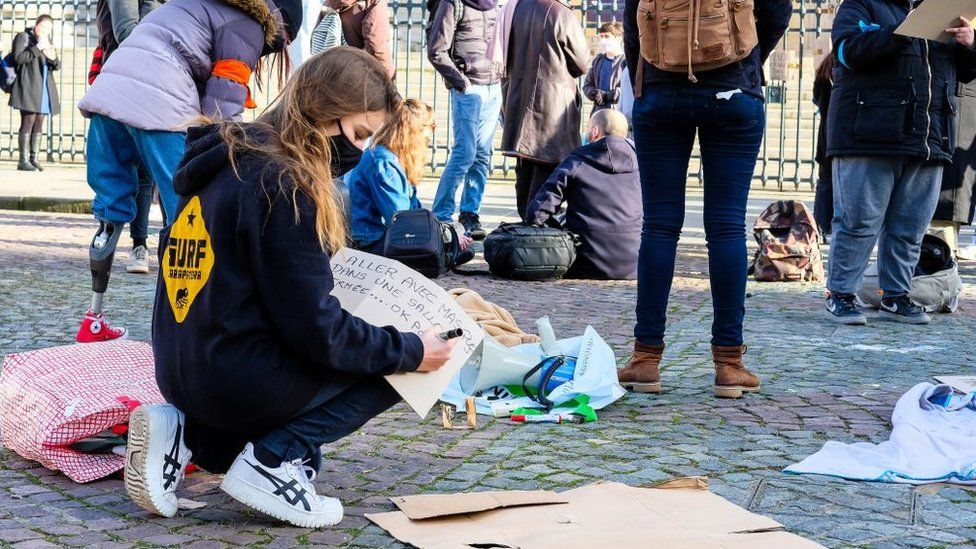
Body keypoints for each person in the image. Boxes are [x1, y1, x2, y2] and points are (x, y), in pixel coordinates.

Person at [127, 47, 458, 529]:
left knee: (358, 353)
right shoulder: (286, 182)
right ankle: (273, 461)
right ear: (325, 112)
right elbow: (317, 328)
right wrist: (409, 348)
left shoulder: (223, 161)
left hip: (183, 372)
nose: (359, 152)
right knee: (405, 364)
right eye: (359, 134)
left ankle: (184, 434)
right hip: (234, 378)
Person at [73, 0, 303, 343]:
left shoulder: (192, 4)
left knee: (110, 211)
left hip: (108, 92)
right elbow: (221, 112)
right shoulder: (249, 25)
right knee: (187, 215)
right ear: (279, 21)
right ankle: (180, 333)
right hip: (159, 102)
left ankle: (93, 318)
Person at [619, 0, 792, 398]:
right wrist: (744, 59)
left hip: (661, 89)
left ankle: (646, 359)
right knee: (726, 226)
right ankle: (729, 364)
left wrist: (649, 77)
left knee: (659, 227)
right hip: (733, 85)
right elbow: (778, 13)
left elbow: (632, 23)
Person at [823, 5, 976, 326]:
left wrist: (969, 44)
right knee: (858, 221)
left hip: (929, 136)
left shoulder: (944, 10)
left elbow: (966, 72)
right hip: (868, 132)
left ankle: (896, 295)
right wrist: (899, 33)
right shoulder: (860, 5)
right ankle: (841, 294)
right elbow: (846, 53)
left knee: (910, 226)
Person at [495, 0, 589, 221]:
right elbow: (582, 63)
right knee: (546, 169)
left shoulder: (512, 8)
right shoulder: (560, 13)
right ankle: (538, 232)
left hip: (517, 99)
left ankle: (527, 226)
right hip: (551, 105)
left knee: (525, 167)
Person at [346, 99, 474, 258]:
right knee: (448, 245)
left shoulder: (394, 158)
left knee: (456, 235)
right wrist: (444, 236)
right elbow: (402, 219)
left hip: (379, 234)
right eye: (431, 127)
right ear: (415, 130)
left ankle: (445, 252)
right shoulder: (383, 163)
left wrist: (444, 230)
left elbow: (414, 209)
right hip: (369, 240)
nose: (431, 134)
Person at [93, 0, 165, 275]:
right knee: (136, 175)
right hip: (130, 81)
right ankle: (138, 245)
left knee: (155, 174)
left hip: (157, 81)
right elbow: (126, 32)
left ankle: (162, 246)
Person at [526, 109, 641, 280]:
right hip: (635, 263)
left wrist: (558, 229)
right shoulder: (643, 164)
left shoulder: (577, 162)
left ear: (594, 131)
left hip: (585, 262)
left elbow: (536, 213)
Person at [427, 0, 501, 240]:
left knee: (482, 155)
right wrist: (462, 82)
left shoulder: (495, 4)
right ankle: (442, 215)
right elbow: (436, 50)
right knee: (465, 153)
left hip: (493, 86)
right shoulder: (453, 3)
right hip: (469, 88)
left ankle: (470, 214)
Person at [9, 15, 60, 173]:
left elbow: (56, 66)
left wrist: (53, 58)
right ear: (36, 25)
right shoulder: (24, 37)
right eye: (43, 27)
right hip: (28, 86)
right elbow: (18, 58)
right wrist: (38, 47)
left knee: (39, 122)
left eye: (48, 29)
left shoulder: (46, 42)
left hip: (44, 88)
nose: (45, 31)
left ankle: (34, 158)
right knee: (28, 121)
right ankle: (23, 161)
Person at [934, 80, 976, 261]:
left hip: (963, 94)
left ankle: (944, 254)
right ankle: (944, 251)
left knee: (952, 189)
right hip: (958, 93)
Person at [327, 0, 395, 79]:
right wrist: (388, 75)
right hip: (359, 74)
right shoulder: (374, 2)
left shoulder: (331, 3)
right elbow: (376, 44)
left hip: (330, 67)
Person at [583, 22, 625, 116]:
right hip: (598, 114)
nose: (603, 40)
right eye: (601, 36)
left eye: (607, 36)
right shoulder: (598, 61)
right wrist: (595, 93)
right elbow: (587, 85)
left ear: (618, 38)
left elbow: (627, 89)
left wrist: (607, 96)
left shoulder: (625, 62)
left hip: (618, 115)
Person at [812, 54, 833, 237]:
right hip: (843, 133)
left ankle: (822, 223)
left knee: (825, 181)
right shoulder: (844, 69)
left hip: (825, 133)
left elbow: (816, 99)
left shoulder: (824, 69)